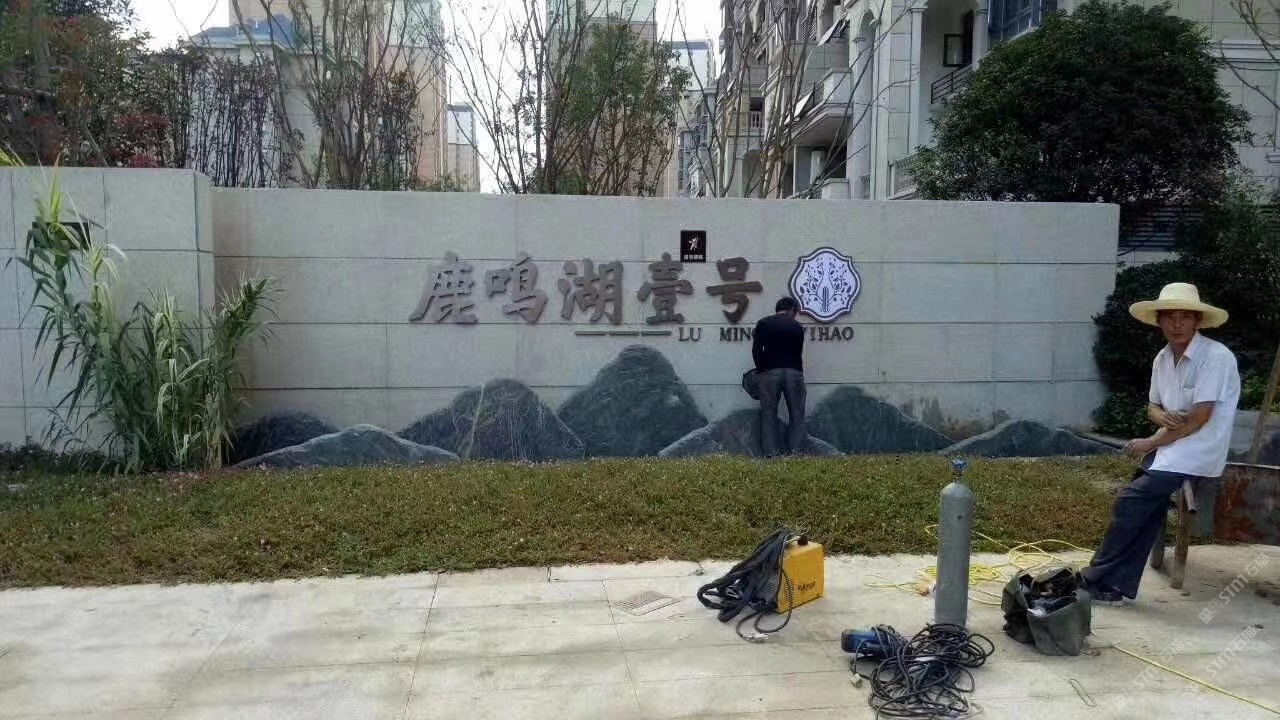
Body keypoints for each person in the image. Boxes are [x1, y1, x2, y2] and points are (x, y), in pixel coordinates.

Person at [1081, 283, 1239, 604]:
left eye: (1185, 317)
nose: (1177, 324)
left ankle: (1096, 578)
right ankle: (1114, 586)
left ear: (1197, 321)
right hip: (1170, 447)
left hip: (1198, 449)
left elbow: (1198, 419)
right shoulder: (1162, 358)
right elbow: (1153, 406)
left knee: (1132, 501)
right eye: (1169, 317)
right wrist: (1159, 417)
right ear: (1159, 321)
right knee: (1143, 506)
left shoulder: (1216, 357)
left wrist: (1150, 441)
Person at [752, 297, 806, 457]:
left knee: (768, 414)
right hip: (794, 371)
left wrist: (761, 368)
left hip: (769, 372)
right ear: (792, 310)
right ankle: (796, 453)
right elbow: (798, 351)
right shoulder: (797, 326)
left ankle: (771, 454)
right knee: (797, 415)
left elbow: (756, 350)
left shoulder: (764, 323)